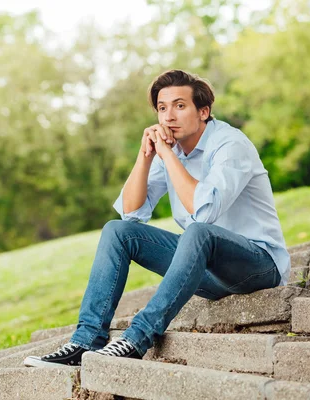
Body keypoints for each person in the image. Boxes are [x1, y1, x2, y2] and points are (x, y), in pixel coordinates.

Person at [23, 69, 290, 368]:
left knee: (198, 231)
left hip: (259, 266)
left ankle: (136, 339)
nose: (168, 117)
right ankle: (85, 341)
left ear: (203, 112)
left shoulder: (230, 145)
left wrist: (167, 153)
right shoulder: (172, 151)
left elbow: (204, 211)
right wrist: (146, 155)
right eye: (162, 108)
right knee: (117, 231)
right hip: (209, 272)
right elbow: (131, 213)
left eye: (179, 105)